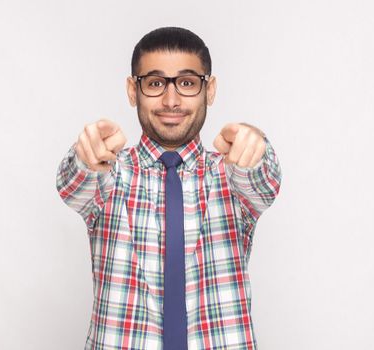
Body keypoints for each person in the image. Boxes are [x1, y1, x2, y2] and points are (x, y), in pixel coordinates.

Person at [56, 26, 282, 350]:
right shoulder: (109, 171)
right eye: (155, 83)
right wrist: (86, 157)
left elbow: (264, 183)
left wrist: (255, 147)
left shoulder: (232, 173)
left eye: (187, 83)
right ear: (133, 91)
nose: (171, 100)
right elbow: (74, 186)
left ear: (211, 90)